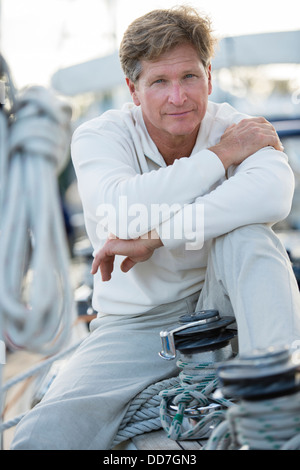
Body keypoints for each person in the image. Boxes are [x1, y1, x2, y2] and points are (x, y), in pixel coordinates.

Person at [11, 6, 300, 450]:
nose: (178, 97)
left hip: (228, 303)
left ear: (208, 75)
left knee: (250, 235)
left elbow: (273, 196)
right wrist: (219, 158)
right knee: (42, 436)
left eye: (188, 77)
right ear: (133, 89)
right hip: (137, 323)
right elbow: (120, 213)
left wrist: (157, 236)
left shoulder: (237, 127)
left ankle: (277, 412)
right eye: (159, 82)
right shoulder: (100, 136)